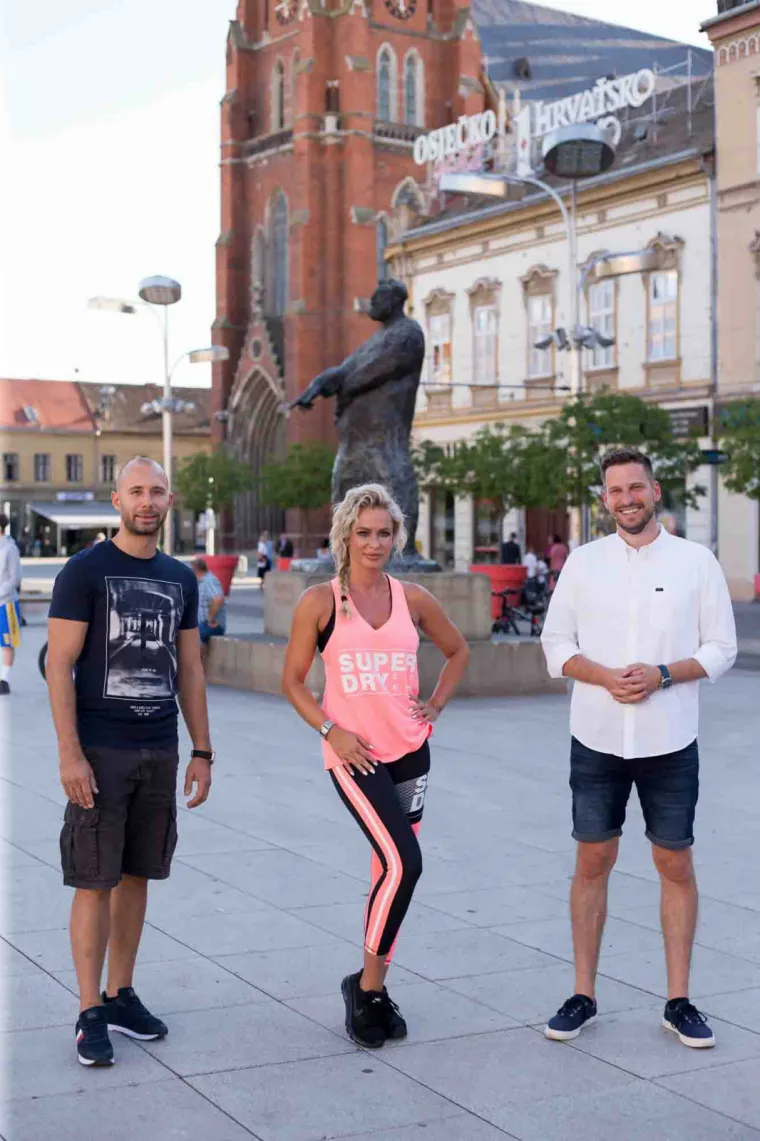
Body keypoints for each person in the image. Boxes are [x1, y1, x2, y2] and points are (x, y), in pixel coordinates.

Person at [541, 447, 736, 1050]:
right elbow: (555, 643)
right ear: (604, 500)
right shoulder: (583, 563)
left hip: (670, 739)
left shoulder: (695, 562)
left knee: (674, 863)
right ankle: (583, 994)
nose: (626, 499)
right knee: (592, 863)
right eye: (615, 491)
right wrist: (603, 676)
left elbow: (721, 647)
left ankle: (678, 1001)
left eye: (636, 488)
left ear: (655, 491)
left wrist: (663, 674)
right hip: (596, 739)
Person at [282, 483, 470, 1049]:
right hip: (355, 756)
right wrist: (330, 730)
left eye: (383, 532)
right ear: (345, 534)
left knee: (384, 873)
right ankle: (365, 989)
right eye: (363, 532)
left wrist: (434, 704)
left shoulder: (412, 598)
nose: (374, 542)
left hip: (412, 751)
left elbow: (458, 650)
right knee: (404, 863)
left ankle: (373, 988)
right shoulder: (320, 602)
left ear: (396, 536)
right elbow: (292, 683)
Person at [47, 456, 215, 1068]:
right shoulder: (84, 571)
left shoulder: (180, 578)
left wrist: (201, 749)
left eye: (158, 492)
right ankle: (90, 1009)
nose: (147, 501)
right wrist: (70, 753)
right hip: (100, 750)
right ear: (116, 500)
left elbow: (190, 668)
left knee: (139, 874)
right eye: (136, 491)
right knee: (94, 880)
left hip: (159, 749)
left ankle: (121, 994)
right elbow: (58, 665)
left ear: (170, 501)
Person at [0, 514, 21, 695]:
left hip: (5, 603)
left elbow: (14, 578)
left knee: (7, 642)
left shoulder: (10, 549)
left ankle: (4, 679)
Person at [192, 557, 227, 657]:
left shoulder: (209, 581)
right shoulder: (200, 582)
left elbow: (218, 599)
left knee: (195, 637)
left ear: (196, 570)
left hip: (213, 625)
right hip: (201, 623)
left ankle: (196, 670)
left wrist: (210, 619)